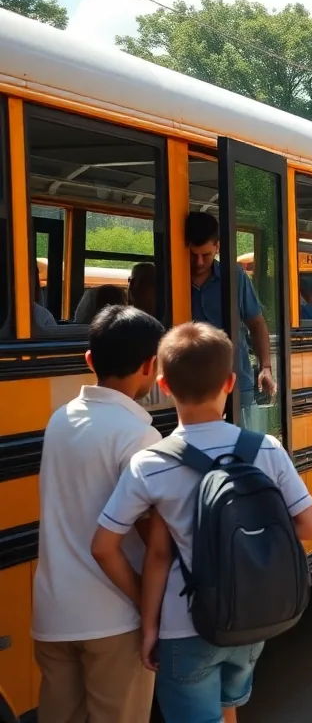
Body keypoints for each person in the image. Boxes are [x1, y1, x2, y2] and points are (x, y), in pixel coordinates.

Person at [95, 322, 312, 723]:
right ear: (232, 382)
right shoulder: (265, 448)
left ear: (163, 386)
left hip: (186, 626)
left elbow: (126, 549)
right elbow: (311, 526)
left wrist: (149, 626)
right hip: (252, 620)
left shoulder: (151, 463)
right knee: (228, 706)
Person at [33, 306, 165, 723]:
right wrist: (148, 605)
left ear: (89, 361)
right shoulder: (139, 435)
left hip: (53, 615)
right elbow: (151, 536)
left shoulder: (60, 420)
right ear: (150, 366)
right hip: (113, 619)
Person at [185, 212, 275, 418]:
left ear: (217, 247)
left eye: (206, 255)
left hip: (235, 380)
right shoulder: (172, 277)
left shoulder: (235, 277)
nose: (199, 262)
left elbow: (256, 323)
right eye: (193, 254)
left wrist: (266, 367)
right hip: (189, 381)